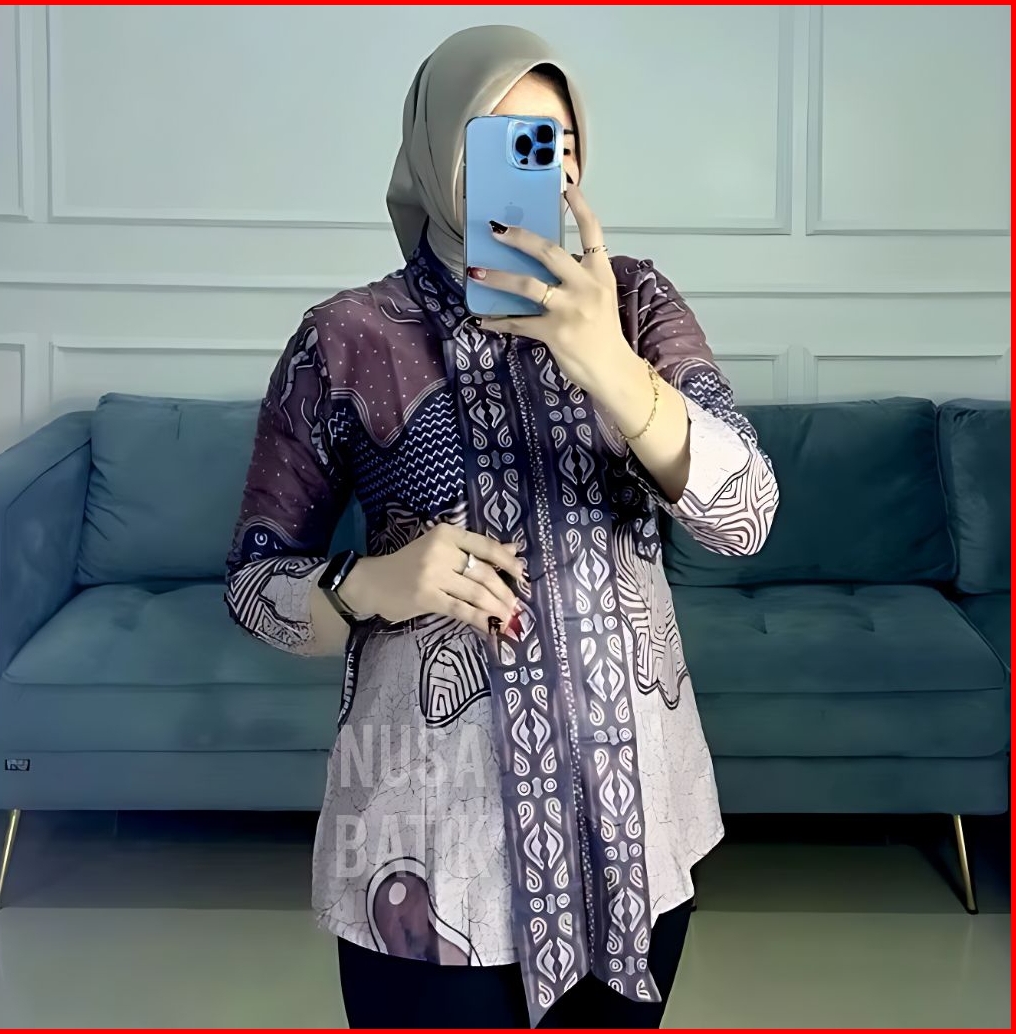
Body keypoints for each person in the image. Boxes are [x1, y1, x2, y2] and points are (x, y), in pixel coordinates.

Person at [226, 23, 778, 1031]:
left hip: (636, 831)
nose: (539, 167)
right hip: (430, 858)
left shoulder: (637, 303)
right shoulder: (345, 336)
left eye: (555, 142)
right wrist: (372, 583)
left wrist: (608, 363)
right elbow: (253, 586)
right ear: (440, 149)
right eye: (501, 140)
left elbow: (745, 515)